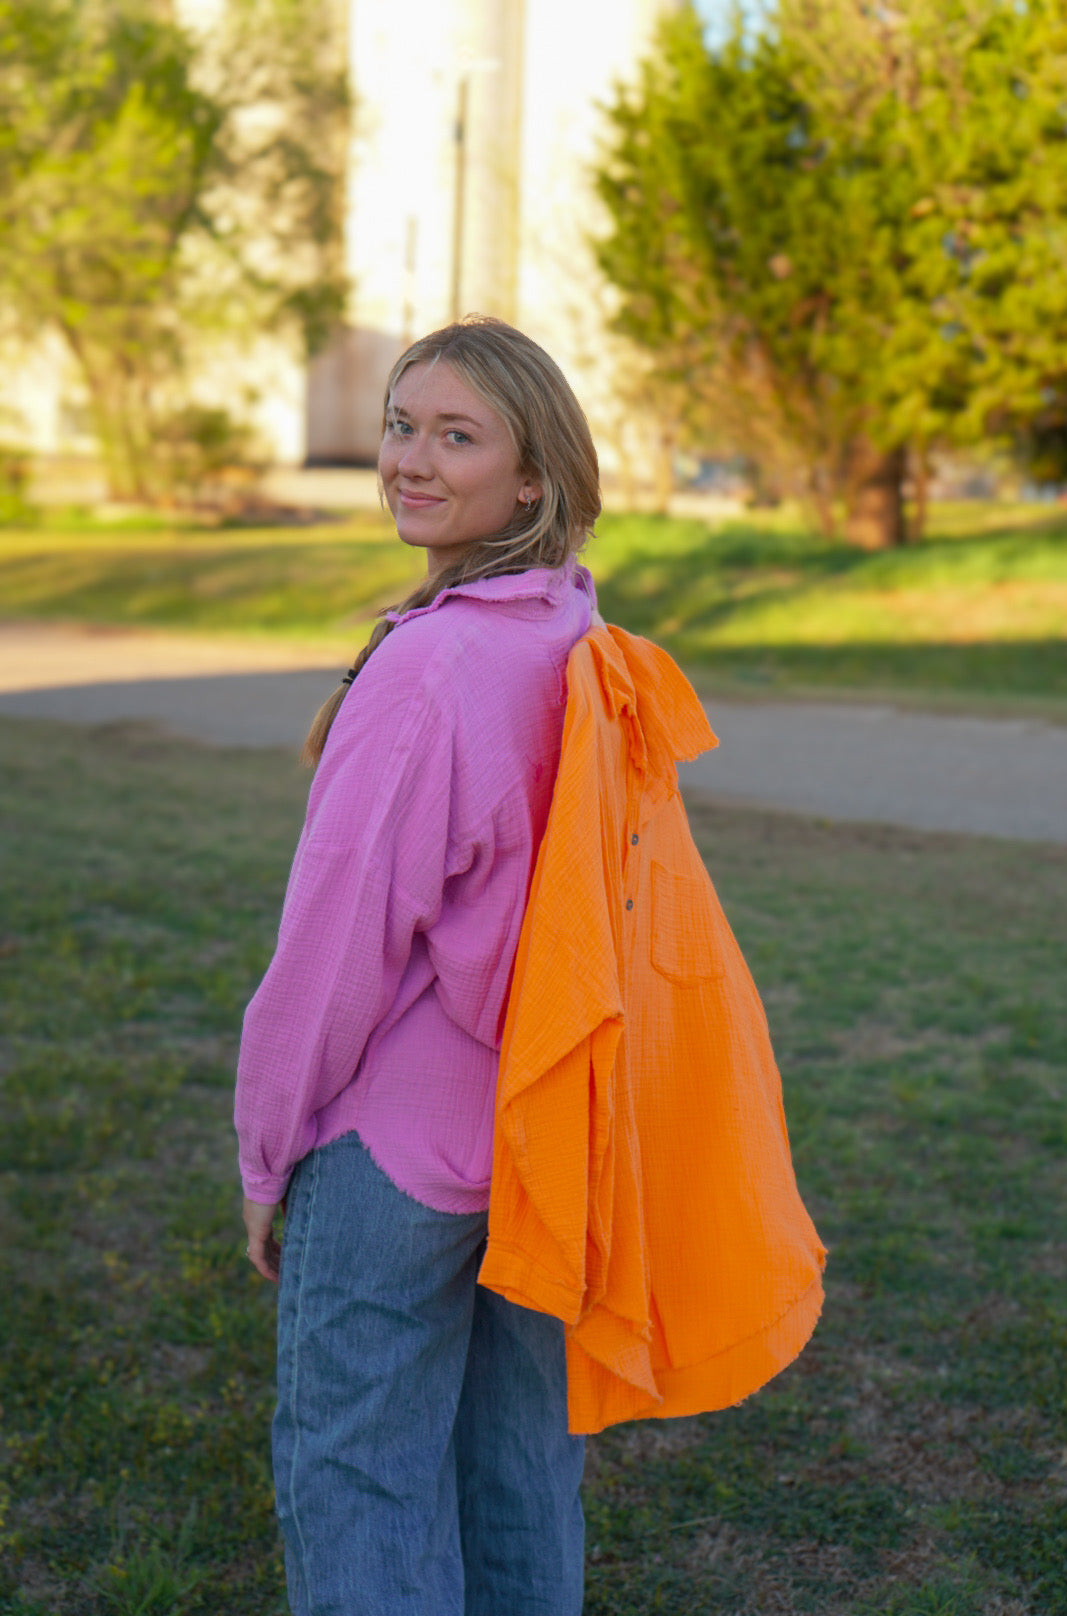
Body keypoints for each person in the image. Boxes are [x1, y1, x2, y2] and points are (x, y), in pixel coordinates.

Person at [234, 317, 603, 1616]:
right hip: (537, 1134)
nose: (410, 459)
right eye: (400, 424)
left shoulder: (435, 664)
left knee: (364, 1485)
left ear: (531, 479)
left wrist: (267, 1150)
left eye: (457, 434)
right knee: (518, 1477)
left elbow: (335, 949)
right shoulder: (572, 633)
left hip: (395, 1156)